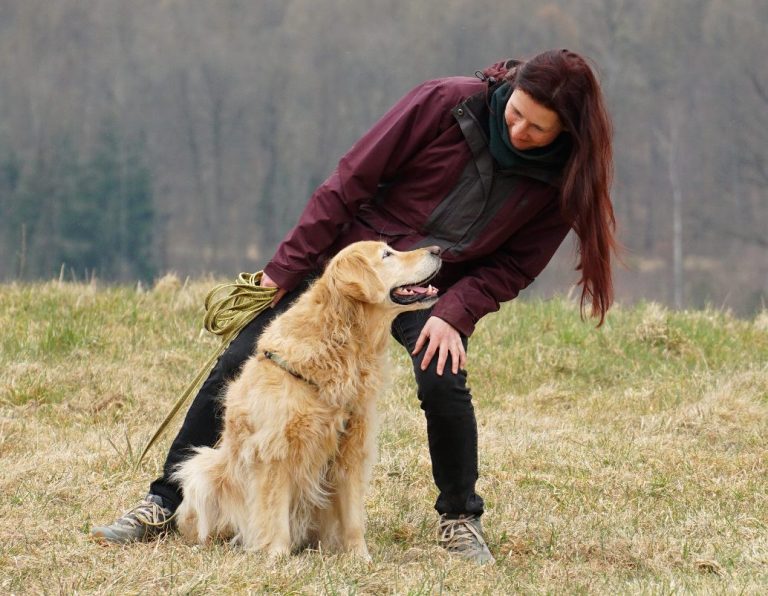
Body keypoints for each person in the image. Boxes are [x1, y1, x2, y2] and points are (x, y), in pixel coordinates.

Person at [91, 49, 618, 564]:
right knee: (243, 359)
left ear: (567, 132)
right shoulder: (446, 102)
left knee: (443, 379)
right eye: (516, 111)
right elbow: (350, 181)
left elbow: (513, 267)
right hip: (357, 261)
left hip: (431, 284)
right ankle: (163, 501)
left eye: (537, 128)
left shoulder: (564, 182)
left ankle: (460, 518)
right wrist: (285, 268)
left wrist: (454, 314)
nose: (518, 129)